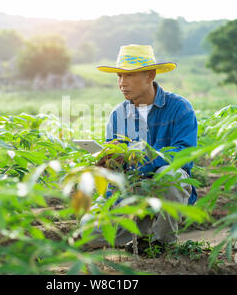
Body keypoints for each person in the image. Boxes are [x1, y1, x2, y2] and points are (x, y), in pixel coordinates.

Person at [80, 44, 198, 252]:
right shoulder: (118, 115)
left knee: (171, 175)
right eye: (119, 76)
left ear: (150, 75)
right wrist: (109, 165)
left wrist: (142, 156)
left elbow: (184, 156)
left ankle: (162, 242)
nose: (122, 83)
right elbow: (116, 174)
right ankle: (144, 231)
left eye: (130, 76)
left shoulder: (179, 108)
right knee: (89, 232)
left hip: (167, 192)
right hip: (132, 192)